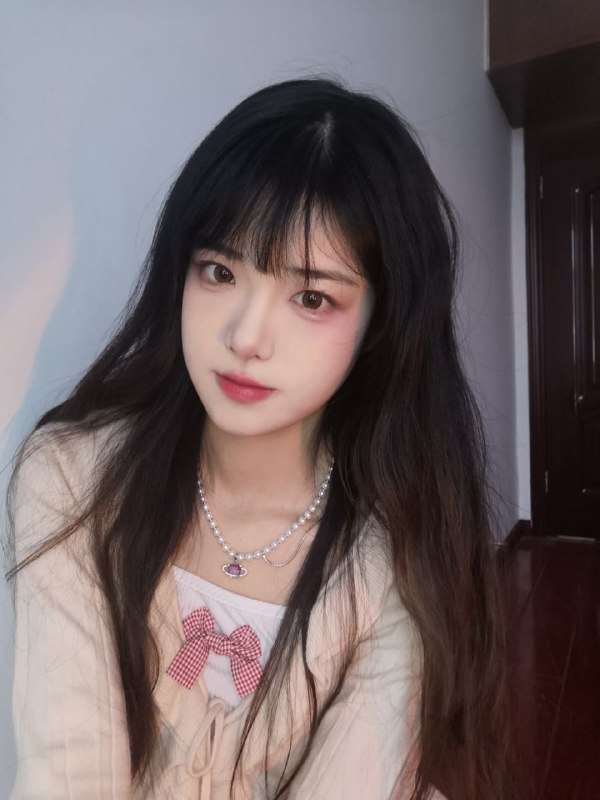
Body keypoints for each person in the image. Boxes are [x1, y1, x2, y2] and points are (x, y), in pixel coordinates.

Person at [4, 77, 520, 799]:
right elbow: (68, 771)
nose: (245, 337)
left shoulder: (401, 548)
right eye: (219, 271)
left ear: (379, 324)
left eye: (311, 297)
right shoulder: (73, 479)